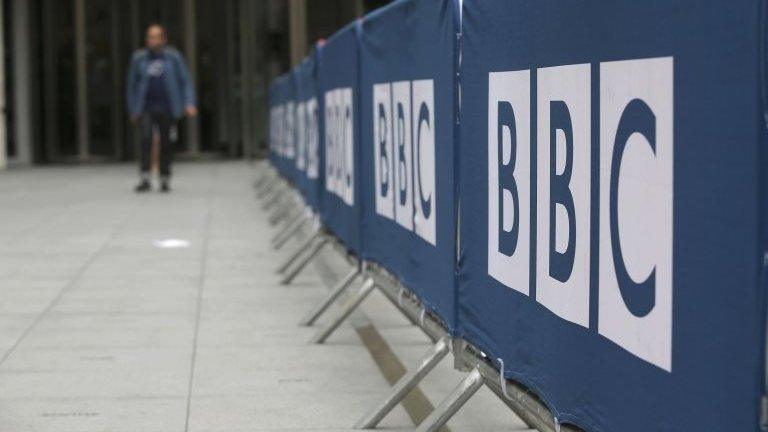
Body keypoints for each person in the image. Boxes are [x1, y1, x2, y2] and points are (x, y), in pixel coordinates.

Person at [126, 24, 197, 193]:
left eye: (156, 36)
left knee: (166, 143)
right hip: (146, 107)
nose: (153, 40)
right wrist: (133, 109)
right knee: (145, 140)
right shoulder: (139, 58)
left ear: (163, 39)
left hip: (167, 107)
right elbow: (131, 86)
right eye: (150, 37)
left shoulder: (173, 57)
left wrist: (188, 102)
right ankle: (145, 176)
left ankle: (165, 177)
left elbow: (185, 81)